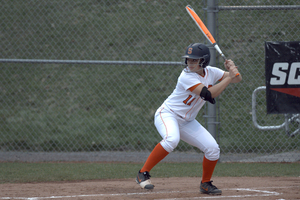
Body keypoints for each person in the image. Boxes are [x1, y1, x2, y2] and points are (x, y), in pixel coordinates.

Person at [135, 43, 242, 195]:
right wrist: (229, 77)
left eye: (194, 60)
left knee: (213, 149)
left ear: (203, 61)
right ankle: (143, 173)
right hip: (168, 114)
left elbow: (237, 79)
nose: (189, 63)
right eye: (188, 60)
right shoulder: (186, 76)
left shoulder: (211, 72)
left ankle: (205, 184)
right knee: (172, 139)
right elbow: (208, 94)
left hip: (187, 121)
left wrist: (233, 70)